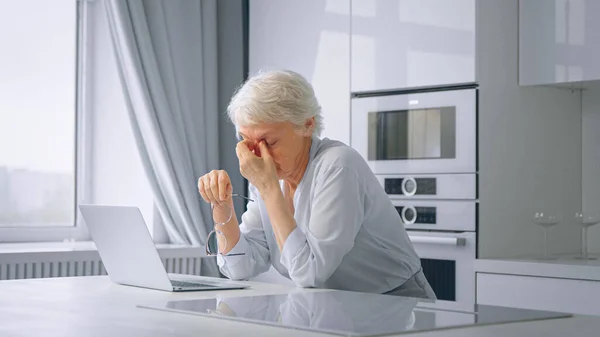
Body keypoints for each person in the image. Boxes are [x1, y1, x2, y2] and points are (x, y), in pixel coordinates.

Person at [197, 69, 436, 299]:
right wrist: (222, 206)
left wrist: (268, 188)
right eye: (247, 142)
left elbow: (309, 271)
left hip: (396, 303)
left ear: (307, 125)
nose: (259, 155)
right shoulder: (272, 177)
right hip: (337, 306)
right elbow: (239, 267)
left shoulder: (338, 166)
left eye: (269, 141)